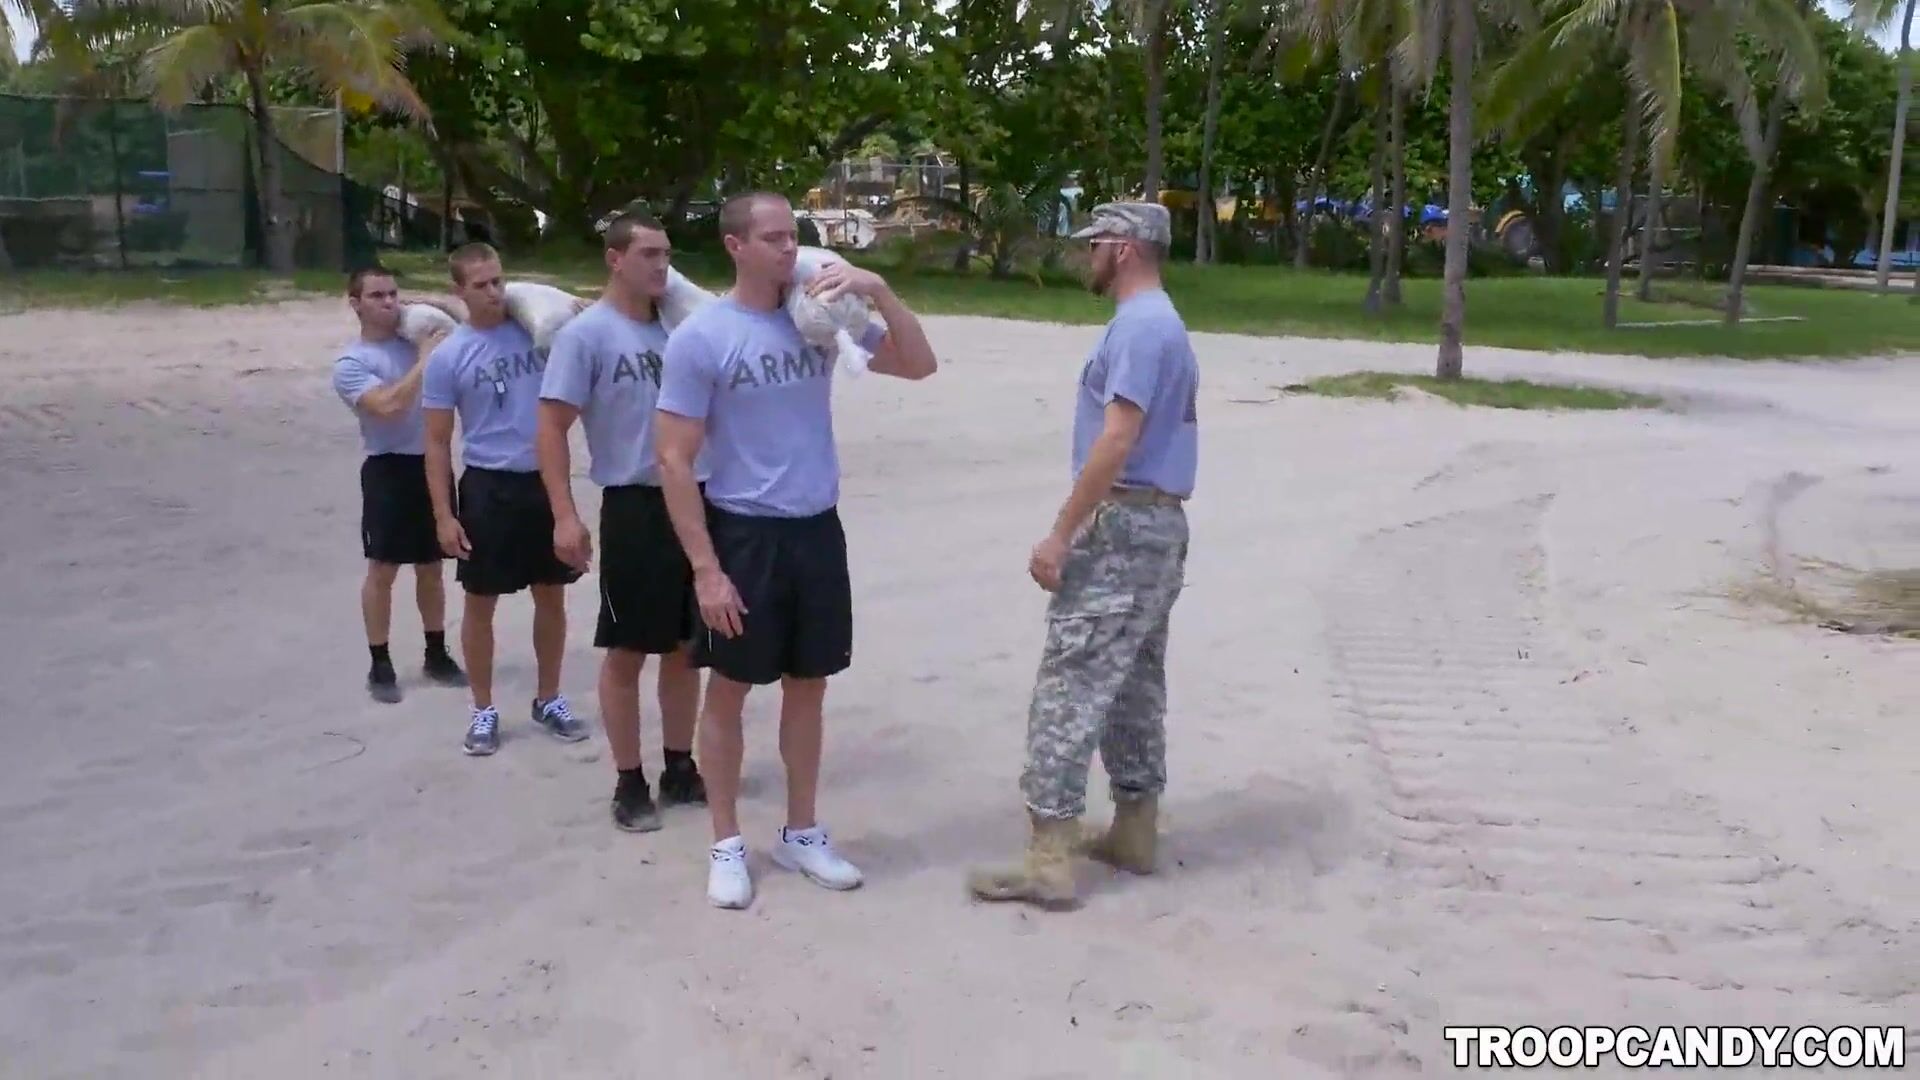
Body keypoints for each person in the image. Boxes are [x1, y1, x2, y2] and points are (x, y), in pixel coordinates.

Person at [654, 191, 938, 909]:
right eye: (773, 237)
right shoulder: (703, 337)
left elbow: (918, 364)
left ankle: (801, 831)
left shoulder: (817, 317)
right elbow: (673, 459)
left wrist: (878, 289)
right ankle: (726, 843)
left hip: (816, 526)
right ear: (735, 247)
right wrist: (706, 570)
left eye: (793, 236)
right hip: (744, 531)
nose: (789, 248)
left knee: (809, 685)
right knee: (730, 686)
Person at [966, 201, 1199, 910]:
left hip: (1122, 523)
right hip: (1158, 524)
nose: (1086, 255)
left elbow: (1117, 436)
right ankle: (1135, 828)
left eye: (1094, 243)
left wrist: (1062, 532)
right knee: (1133, 682)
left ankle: (1050, 857)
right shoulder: (1161, 322)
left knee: (1069, 686)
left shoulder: (1141, 326)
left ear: (1123, 249)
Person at [538, 210, 710, 831]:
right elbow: (551, 426)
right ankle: (629, 779)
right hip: (635, 502)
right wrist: (564, 514)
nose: (662, 266)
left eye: (666, 255)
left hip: (696, 496)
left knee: (687, 645)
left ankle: (679, 764)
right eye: (648, 255)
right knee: (629, 647)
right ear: (615, 259)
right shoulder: (587, 336)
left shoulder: (680, 327)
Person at [423, 242, 588, 756]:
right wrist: (444, 515)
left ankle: (549, 697)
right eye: (481, 285)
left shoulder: (536, 332)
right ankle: (483, 708)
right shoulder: (450, 356)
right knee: (480, 602)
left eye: (498, 280)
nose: (494, 292)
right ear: (459, 291)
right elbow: (436, 442)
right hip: (488, 486)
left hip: (543, 480)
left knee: (551, 594)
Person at [330, 266, 468, 703]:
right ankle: (380, 661)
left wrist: (435, 309)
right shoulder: (353, 363)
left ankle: (436, 652)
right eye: (377, 296)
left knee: (431, 565)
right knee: (383, 568)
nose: (389, 302)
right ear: (356, 304)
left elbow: (464, 326)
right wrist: (426, 360)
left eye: (393, 293)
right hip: (388, 467)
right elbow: (388, 406)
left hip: (432, 462)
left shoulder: (416, 337)